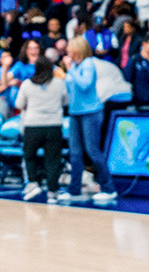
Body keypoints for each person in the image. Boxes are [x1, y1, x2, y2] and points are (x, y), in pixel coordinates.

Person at [62, 38, 117, 204]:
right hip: (75, 113)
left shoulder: (88, 64)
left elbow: (84, 85)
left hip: (91, 112)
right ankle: (74, 188)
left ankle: (109, 188)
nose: (68, 52)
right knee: (75, 152)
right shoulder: (76, 67)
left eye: (70, 49)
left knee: (92, 150)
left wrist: (70, 70)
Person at [15, 57, 68, 204]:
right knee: (52, 160)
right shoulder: (59, 83)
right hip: (54, 126)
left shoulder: (27, 84)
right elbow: (66, 101)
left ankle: (33, 183)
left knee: (29, 155)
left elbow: (19, 104)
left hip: (33, 125)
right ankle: (53, 192)